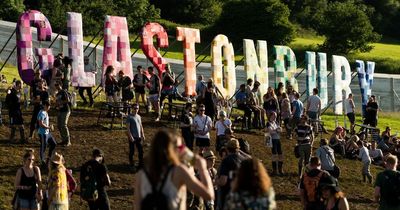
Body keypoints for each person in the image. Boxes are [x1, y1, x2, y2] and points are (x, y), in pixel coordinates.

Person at [134, 129, 214, 210]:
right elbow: (209, 195)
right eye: (180, 147)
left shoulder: (141, 174)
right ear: (172, 149)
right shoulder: (179, 171)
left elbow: (137, 207)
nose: (182, 149)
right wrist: (202, 167)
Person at [216, 139, 247, 210]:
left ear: (227, 149)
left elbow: (223, 181)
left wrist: (216, 180)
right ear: (238, 148)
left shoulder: (226, 161)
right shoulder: (244, 160)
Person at [37, 101, 57, 165]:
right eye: (48, 106)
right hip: (43, 133)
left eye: (49, 106)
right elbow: (40, 124)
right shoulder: (42, 113)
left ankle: (48, 158)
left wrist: (49, 126)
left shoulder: (45, 112)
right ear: (44, 105)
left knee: (53, 144)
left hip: (47, 132)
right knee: (43, 147)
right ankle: (42, 160)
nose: (49, 108)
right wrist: (48, 127)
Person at [126, 103, 145, 169]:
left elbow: (141, 126)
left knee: (141, 151)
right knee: (132, 151)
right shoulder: (129, 117)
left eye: (137, 108)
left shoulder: (139, 116)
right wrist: (130, 136)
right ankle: (131, 163)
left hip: (138, 137)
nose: (136, 110)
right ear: (132, 108)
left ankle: (141, 163)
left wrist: (143, 135)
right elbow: (128, 128)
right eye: (135, 108)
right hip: (132, 137)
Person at [266, 111, 283, 176]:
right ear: (271, 116)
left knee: (280, 154)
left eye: (275, 116)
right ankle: (275, 170)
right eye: (274, 116)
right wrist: (276, 130)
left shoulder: (276, 122)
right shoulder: (268, 123)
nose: (275, 117)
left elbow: (280, 130)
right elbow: (270, 131)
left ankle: (280, 169)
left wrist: (277, 130)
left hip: (278, 139)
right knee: (274, 154)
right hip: (273, 140)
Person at [55, 82, 71, 146]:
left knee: (64, 125)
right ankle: (63, 139)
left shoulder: (63, 92)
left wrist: (60, 103)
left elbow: (68, 100)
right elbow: (57, 102)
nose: (56, 86)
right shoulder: (57, 94)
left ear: (61, 85)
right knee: (59, 126)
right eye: (55, 85)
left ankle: (68, 141)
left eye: (57, 85)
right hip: (60, 110)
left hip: (65, 110)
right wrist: (56, 105)